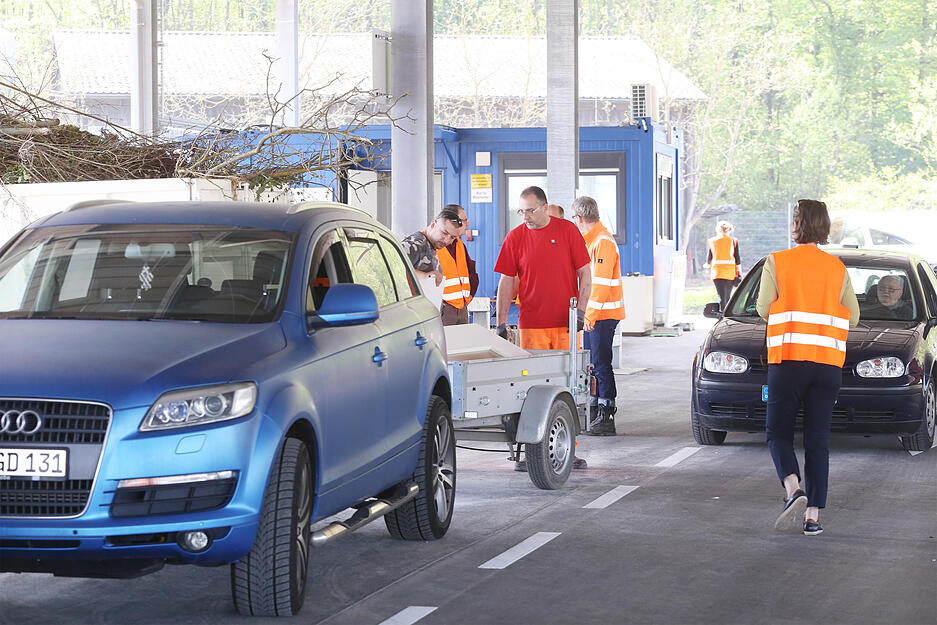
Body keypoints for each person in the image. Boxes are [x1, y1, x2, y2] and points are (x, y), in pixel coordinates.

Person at [757, 199, 860, 536]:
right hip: (827, 365)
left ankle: (792, 488)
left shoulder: (778, 262)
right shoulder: (837, 268)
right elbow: (854, 316)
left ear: (798, 225)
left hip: (788, 361)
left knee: (778, 432)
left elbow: (762, 308)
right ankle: (812, 517)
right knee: (818, 439)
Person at [495, 186, 592, 471]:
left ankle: (566, 451)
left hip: (565, 325)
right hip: (531, 326)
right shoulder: (515, 237)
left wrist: (582, 310)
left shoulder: (567, 231)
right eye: (521, 211)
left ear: (545, 207)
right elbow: (507, 281)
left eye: (530, 210)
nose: (525, 216)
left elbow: (585, 272)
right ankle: (527, 453)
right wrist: (500, 322)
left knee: (566, 389)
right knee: (529, 391)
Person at [572, 196, 625, 436]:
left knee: (601, 363)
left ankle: (606, 415)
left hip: (602, 315)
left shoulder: (602, 242)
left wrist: (589, 317)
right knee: (593, 364)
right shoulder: (591, 241)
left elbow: (600, 285)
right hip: (595, 314)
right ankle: (595, 409)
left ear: (579, 218)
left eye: (574, 217)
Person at [436, 204, 479, 326]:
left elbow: (471, 273)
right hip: (444, 310)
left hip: (462, 308)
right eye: (465, 220)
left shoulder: (459, 245)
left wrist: (467, 298)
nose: (468, 224)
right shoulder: (434, 246)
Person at [401, 209, 464, 288]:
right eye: (444, 233)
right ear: (433, 225)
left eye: (452, 237)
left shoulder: (431, 245)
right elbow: (391, 271)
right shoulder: (414, 244)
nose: (447, 240)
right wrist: (424, 276)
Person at [705, 221, 742, 312]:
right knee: (727, 297)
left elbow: (710, 257)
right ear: (729, 230)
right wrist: (739, 273)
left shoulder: (712, 241)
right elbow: (737, 258)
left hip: (717, 273)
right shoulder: (733, 241)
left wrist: (707, 266)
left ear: (718, 229)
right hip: (730, 273)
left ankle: (722, 316)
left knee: (721, 296)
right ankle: (727, 315)